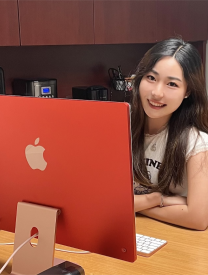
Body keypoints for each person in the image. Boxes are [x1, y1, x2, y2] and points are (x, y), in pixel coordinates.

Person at [131, 38, 208, 230]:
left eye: (172, 84)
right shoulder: (118, 128)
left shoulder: (196, 143)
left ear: (187, 91)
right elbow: (101, 199)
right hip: (130, 232)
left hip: (178, 243)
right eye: (151, 78)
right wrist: (156, 199)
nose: (157, 93)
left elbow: (198, 219)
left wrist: (134, 205)